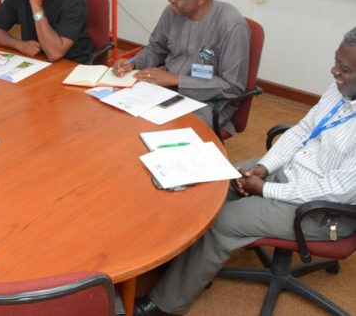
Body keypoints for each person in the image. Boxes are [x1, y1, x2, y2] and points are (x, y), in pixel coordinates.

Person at [134, 29, 356, 316]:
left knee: (223, 221)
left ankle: (164, 305)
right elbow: (303, 130)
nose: (334, 71)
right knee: (211, 183)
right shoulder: (340, 88)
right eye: (336, 62)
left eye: (345, 69)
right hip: (294, 171)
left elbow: (336, 189)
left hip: (322, 211)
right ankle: (185, 264)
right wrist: (264, 167)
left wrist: (264, 189)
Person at [113, 0, 249, 133]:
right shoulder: (172, 12)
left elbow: (232, 86)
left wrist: (176, 79)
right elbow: (156, 48)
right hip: (164, 89)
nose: (170, 0)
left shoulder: (231, 25)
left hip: (206, 102)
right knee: (122, 117)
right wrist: (132, 62)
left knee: (162, 133)